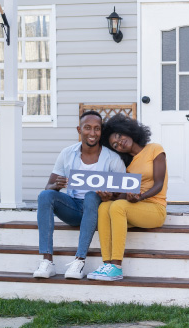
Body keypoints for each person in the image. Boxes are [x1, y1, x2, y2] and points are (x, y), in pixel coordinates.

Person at [33, 110, 126, 279]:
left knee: (91, 196)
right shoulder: (67, 153)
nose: (92, 133)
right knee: (44, 196)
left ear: (101, 131)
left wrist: (109, 197)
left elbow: (123, 195)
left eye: (97, 129)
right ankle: (47, 261)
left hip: (97, 209)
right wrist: (56, 185)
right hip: (73, 207)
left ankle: (79, 261)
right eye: (87, 128)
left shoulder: (113, 159)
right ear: (79, 129)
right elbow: (48, 186)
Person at [87, 114, 168, 281]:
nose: (120, 143)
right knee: (104, 207)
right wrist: (108, 196)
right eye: (115, 145)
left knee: (118, 207)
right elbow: (124, 194)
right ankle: (107, 264)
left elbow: (159, 184)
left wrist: (140, 197)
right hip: (136, 208)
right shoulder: (127, 166)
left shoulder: (155, 149)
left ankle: (116, 267)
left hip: (155, 208)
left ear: (127, 131)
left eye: (119, 136)